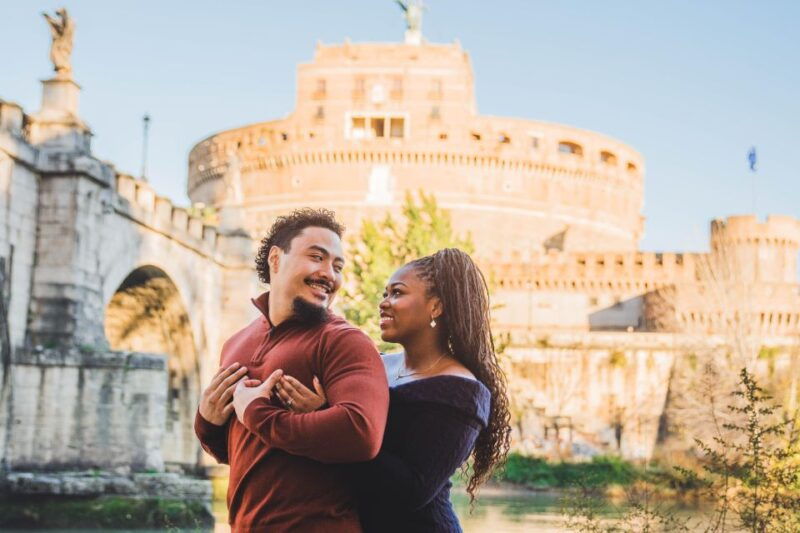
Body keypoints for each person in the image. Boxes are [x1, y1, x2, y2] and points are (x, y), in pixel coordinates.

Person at [277, 248, 512, 532]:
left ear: (436, 306)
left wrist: (325, 418)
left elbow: (410, 491)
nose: (384, 303)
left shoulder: (461, 392)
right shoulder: (376, 364)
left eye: (397, 294)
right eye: (385, 293)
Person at [194, 208, 389, 533]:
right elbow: (244, 454)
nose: (330, 274)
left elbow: (361, 434)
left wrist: (257, 412)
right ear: (275, 259)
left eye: (338, 266)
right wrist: (207, 422)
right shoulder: (236, 343)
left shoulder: (345, 341)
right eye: (317, 257)